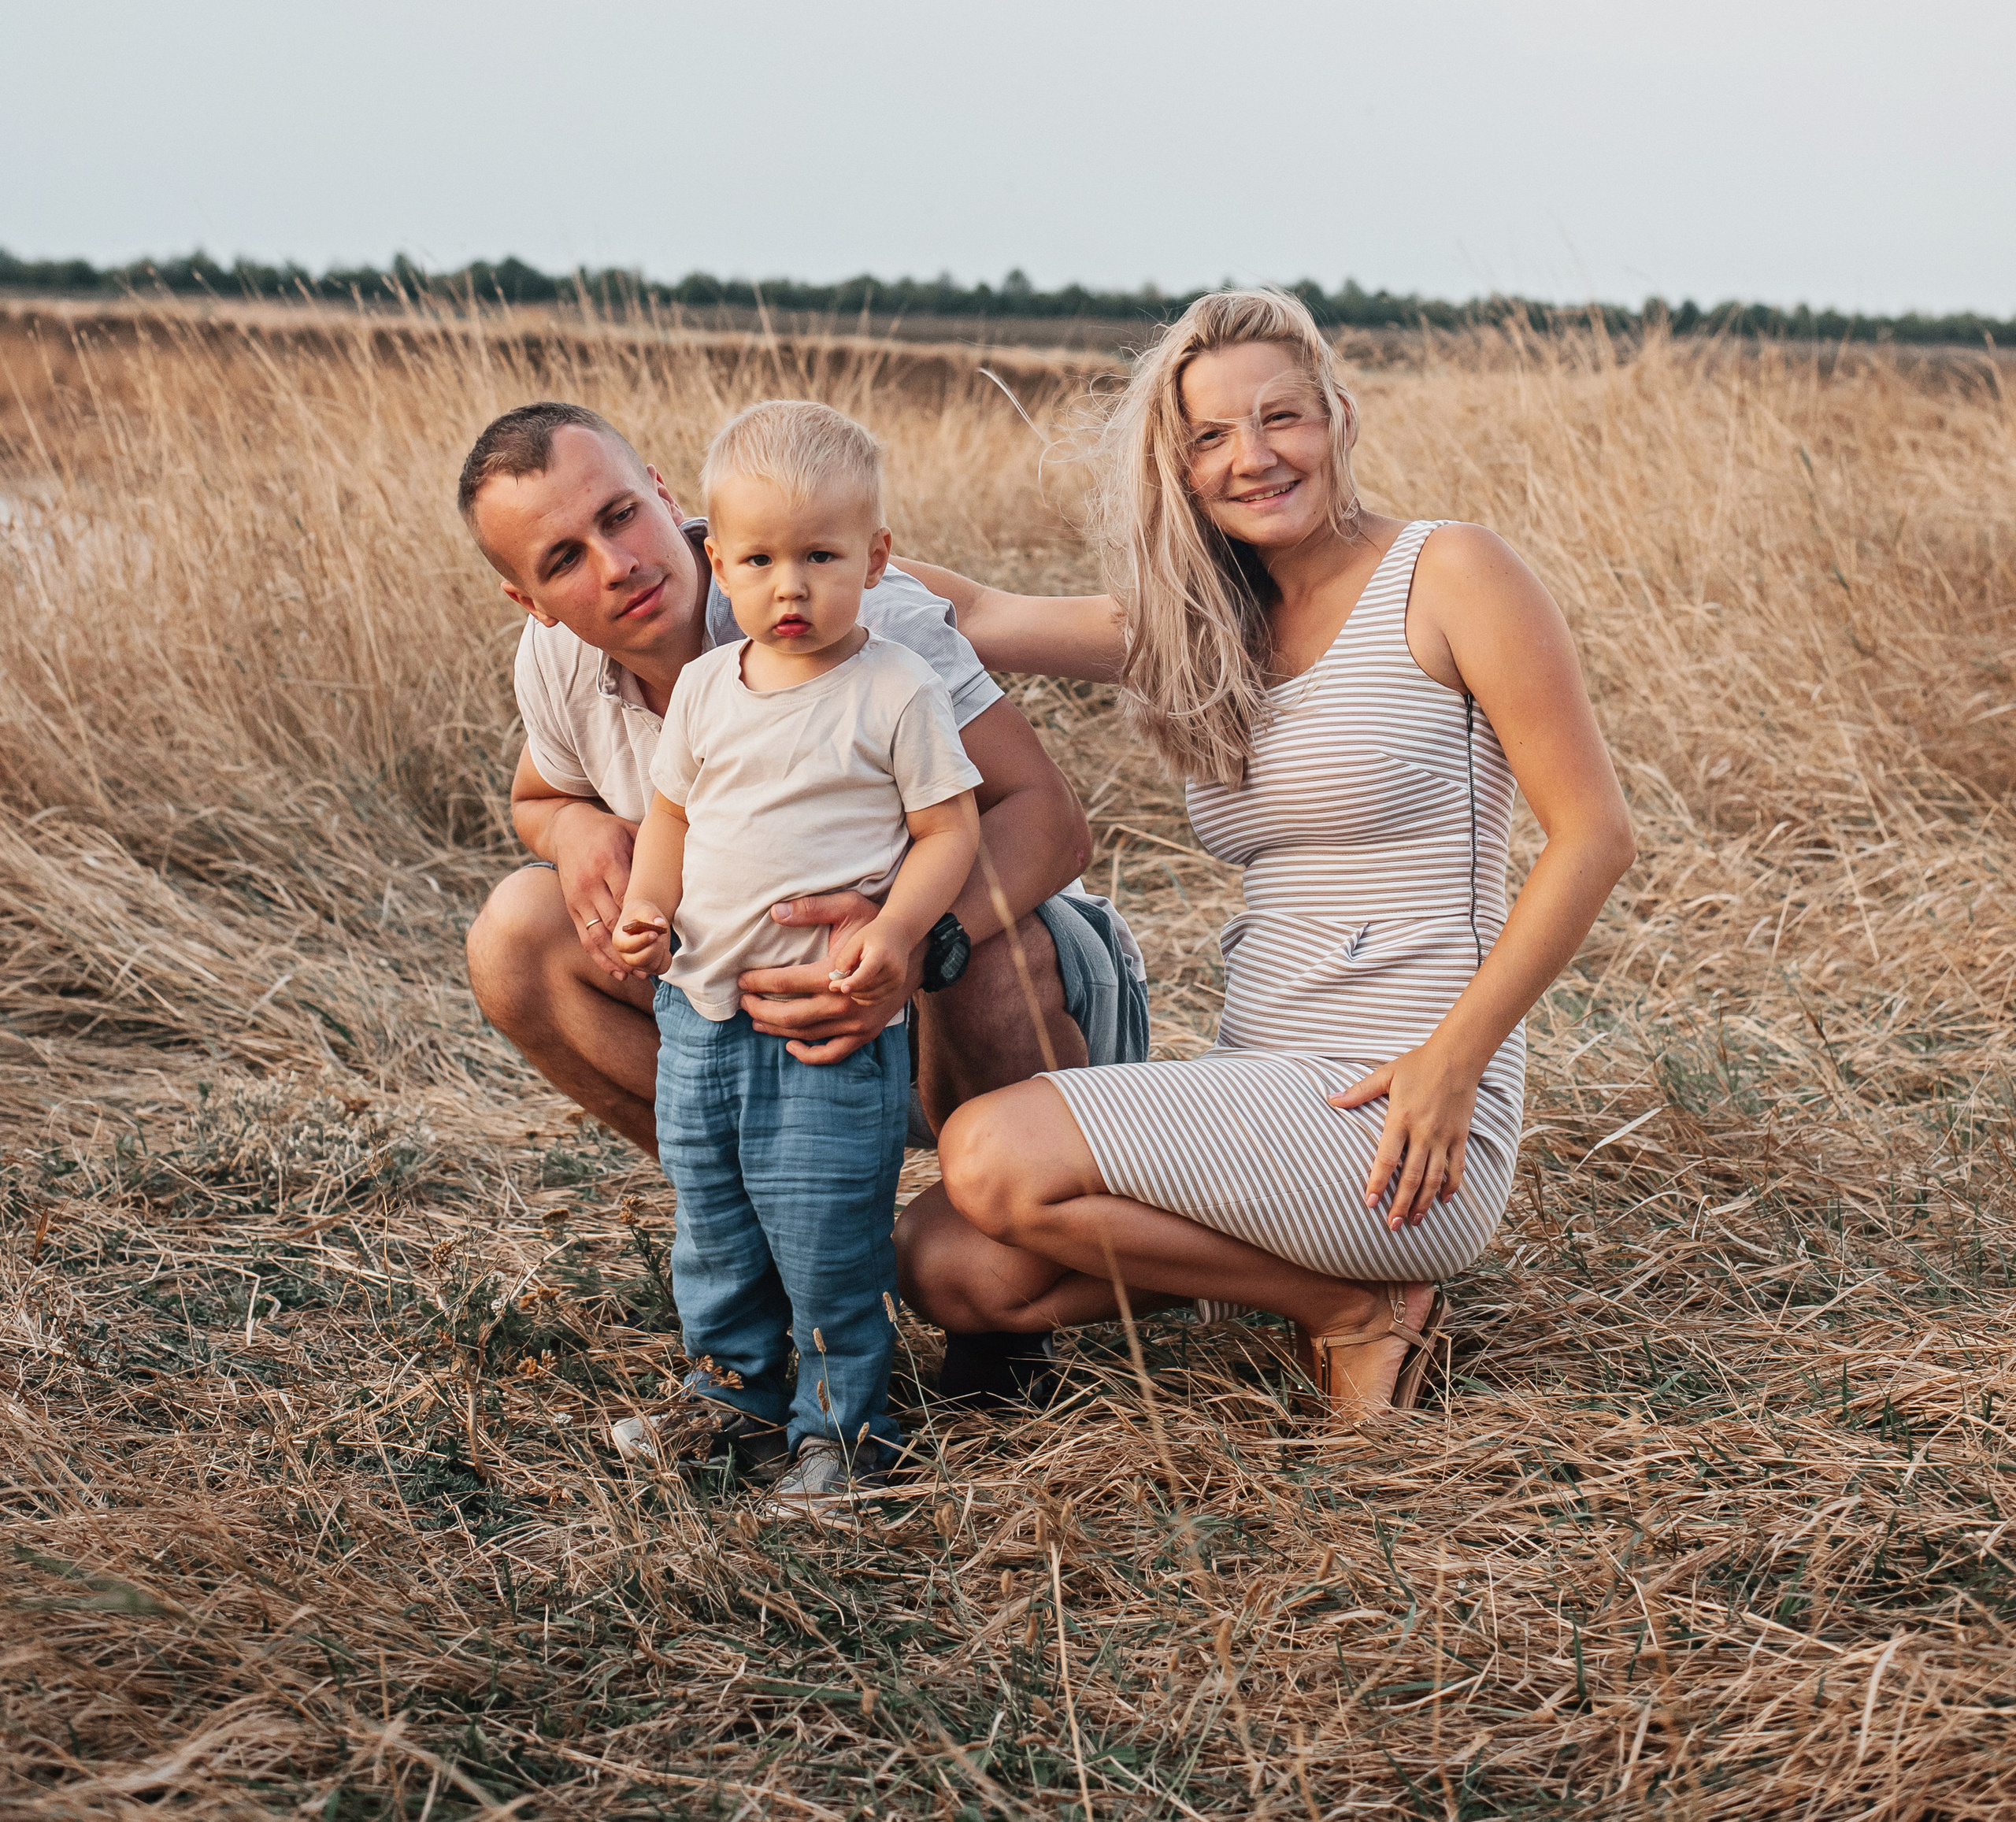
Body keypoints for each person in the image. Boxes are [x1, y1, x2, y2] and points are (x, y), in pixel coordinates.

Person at [894, 287, 1636, 1420]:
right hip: (1266, 1087)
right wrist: (732, 552)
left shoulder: (1452, 574)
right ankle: (1341, 1292)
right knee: (946, 1262)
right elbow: (971, 611)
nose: (1253, 456)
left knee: (990, 1150)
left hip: (1410, 1111)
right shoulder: (1198, 625)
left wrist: (1454, 1061)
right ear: (1180, 467)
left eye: (1282, 416)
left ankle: (1353, 1310)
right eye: (1210, 435)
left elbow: (1594, 837)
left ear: (1340, 415)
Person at [458, 393, 1147, 1410]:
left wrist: (915, 938)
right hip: (774, 1016)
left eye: (618, 515)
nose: (615, 564)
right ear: (533, 602)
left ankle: (1003, 1305)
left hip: (998, 982)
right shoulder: (558, 663)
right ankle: (777, 1238)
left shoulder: (861, 611)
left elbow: (1048, 820)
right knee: (517, 932)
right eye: (562, 559)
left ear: (663, 493)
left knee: (994, 940)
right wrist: (575, 830)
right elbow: (538, 794)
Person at [609, 401, 981, 1510]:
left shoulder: (894, 689)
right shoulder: (709, 689)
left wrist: (897, 930)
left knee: (826, 1228)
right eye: (761, 558)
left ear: (873, 558)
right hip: (700, 1013)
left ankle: (846, 1430)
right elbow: (671, 814)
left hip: (826, 1019)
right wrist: (645, 907)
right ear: (716, 558)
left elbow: (950, 832)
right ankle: (729, 1392)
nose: (791, 586)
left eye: (821, 556)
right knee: (712, 1218)